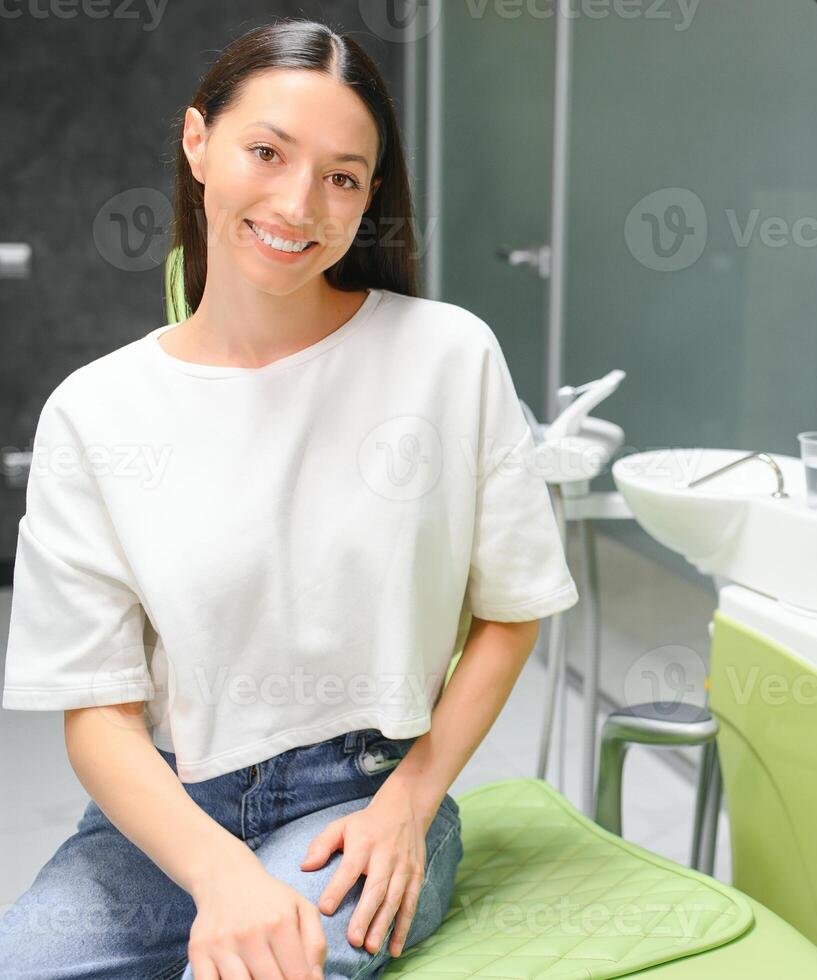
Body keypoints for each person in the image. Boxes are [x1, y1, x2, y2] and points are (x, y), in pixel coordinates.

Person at [0, 17, 579, 979]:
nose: (299, 201)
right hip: (165, 815)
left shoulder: (446, 356)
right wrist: (219, 874)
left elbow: (511, 613)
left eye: (342, 176)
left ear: (368, 198)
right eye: (265, 152)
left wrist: (410, 803)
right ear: (198, 144)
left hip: (356, 802)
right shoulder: (96, 412)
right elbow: (98, 711)